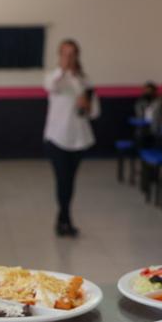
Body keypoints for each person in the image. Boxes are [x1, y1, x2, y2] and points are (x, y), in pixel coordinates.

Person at [43, 38, 99, 237]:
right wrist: (63, 70)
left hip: (78, 139)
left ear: (77, 55)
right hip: (57, 139)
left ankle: (63, 218)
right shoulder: (54, 78)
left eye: (72, 53)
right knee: (62, 180)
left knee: (70, 180)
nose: (68, 58)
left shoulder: (85, 80)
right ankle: (64, 220)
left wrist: (87, 104)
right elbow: (50, 86)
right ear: (59, 55)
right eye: (64, 53)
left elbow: (94, 113)